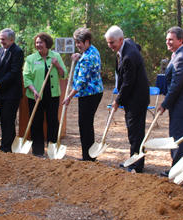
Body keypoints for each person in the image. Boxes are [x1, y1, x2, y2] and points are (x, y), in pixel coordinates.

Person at [105, 25, 150, 173]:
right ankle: (134, 159)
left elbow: (127, 83)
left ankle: (136, 164)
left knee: (135, 132)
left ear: (121, 40)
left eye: (112, 43)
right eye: (108, 42)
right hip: (133, 97)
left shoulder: (129, 57)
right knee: (134, 131)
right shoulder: (128, 44)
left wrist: (117, 101)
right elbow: (136, 45)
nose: (110, 46)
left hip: (136, 99)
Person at [157, 26, 183, 176]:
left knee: (178, 139)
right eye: (167, 40)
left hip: (181, 105)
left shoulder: (181, 58)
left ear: (180, 40)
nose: (168, 42)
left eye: (171, 40)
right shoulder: (180, 54)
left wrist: (164, 104)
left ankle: (177, 170)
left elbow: (175, 86)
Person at [62, 27, 104, 161]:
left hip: (89, 94)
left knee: (84, 125)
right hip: (94, 92)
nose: (77, 45)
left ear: (87, 41)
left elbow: (81, 82)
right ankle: (89, 155)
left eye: (79, 42)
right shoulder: (92, 50)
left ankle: (88, 157)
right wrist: (79, 56)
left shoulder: (88, 57)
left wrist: (69, 96)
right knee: (86, 124)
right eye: (76, 42)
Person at [22, 33, 67, 157]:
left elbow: (64, 74)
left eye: (41, 42)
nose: (38, 45)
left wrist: (57, 65)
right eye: (37, 42)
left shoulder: (56, 56)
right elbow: (26, 77)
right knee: (36, 122)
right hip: (35, 96)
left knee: (53, 121)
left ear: (47, 43)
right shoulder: (31, 59)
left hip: (52, 96)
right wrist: (34, 91)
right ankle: (38, 150)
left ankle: (53, 149)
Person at [0, 28, 24, 152]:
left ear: (11, 39)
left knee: (8, 120)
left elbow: (13, 72)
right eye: (0, 38)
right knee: (4, 120)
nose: (1, 41)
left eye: (3, 39)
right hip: (2, 92)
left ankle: (6, 148)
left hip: (12, 92)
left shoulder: (17, 51)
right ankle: (7, 146)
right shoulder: (0, 51)